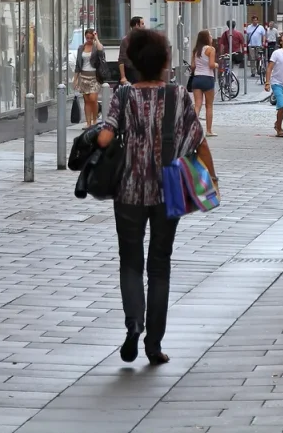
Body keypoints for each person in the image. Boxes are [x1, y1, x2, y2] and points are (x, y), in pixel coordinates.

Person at [93, 28, 207, 366]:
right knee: (160, 266)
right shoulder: (180, 95)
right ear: (164, 63)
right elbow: (195, 139)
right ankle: (154, 343)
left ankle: (134, 323)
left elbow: (105, 138)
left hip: (127, 189)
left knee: (129, 262)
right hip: (167, 189)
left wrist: (102, 137)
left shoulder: (123, 96)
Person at [73, 28, 105, 128]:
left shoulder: (96, 47)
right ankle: (88, 123)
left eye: (91, 38)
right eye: (87, 38)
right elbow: (78, 64)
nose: (89, 40)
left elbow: (101, 51)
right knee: (86, 100)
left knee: (93, 99)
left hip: (94, 77)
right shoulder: (81, 48)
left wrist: (97, 39)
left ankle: (95, 120)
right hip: (83, 76)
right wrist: (75, 78)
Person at [190, 30, 218, 137]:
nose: (211, 37)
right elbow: (211, 65)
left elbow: (193, 66)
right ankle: (209, 130)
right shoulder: (211, 49)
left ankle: (192, 128)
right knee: (209, 105)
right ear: (206, 38)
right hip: (207, 78)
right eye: (210, 35)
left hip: (197, 78)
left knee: (197, 104)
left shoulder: (196, 50)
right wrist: (216, 64)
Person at [118, 16, 146, 85]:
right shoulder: (126, 40)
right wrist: (123, 77)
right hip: (131, 72)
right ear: (137, 25)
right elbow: (121, 59)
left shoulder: (144, 39)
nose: (144, 26)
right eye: (142, 24)